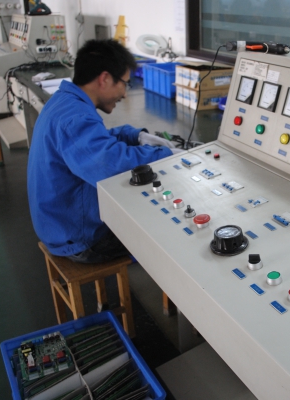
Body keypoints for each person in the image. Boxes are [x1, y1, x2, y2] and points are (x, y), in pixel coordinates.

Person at [28, 39, 181, 263]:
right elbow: (111, 165)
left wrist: (135, 136)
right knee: (171, 229)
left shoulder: (65, 102)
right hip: (80, 239)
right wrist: (168, 156)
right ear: (105, 79)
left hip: (58, 224)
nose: (125, 94)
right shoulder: (75, 118)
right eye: (125, 84)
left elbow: (95, 141)